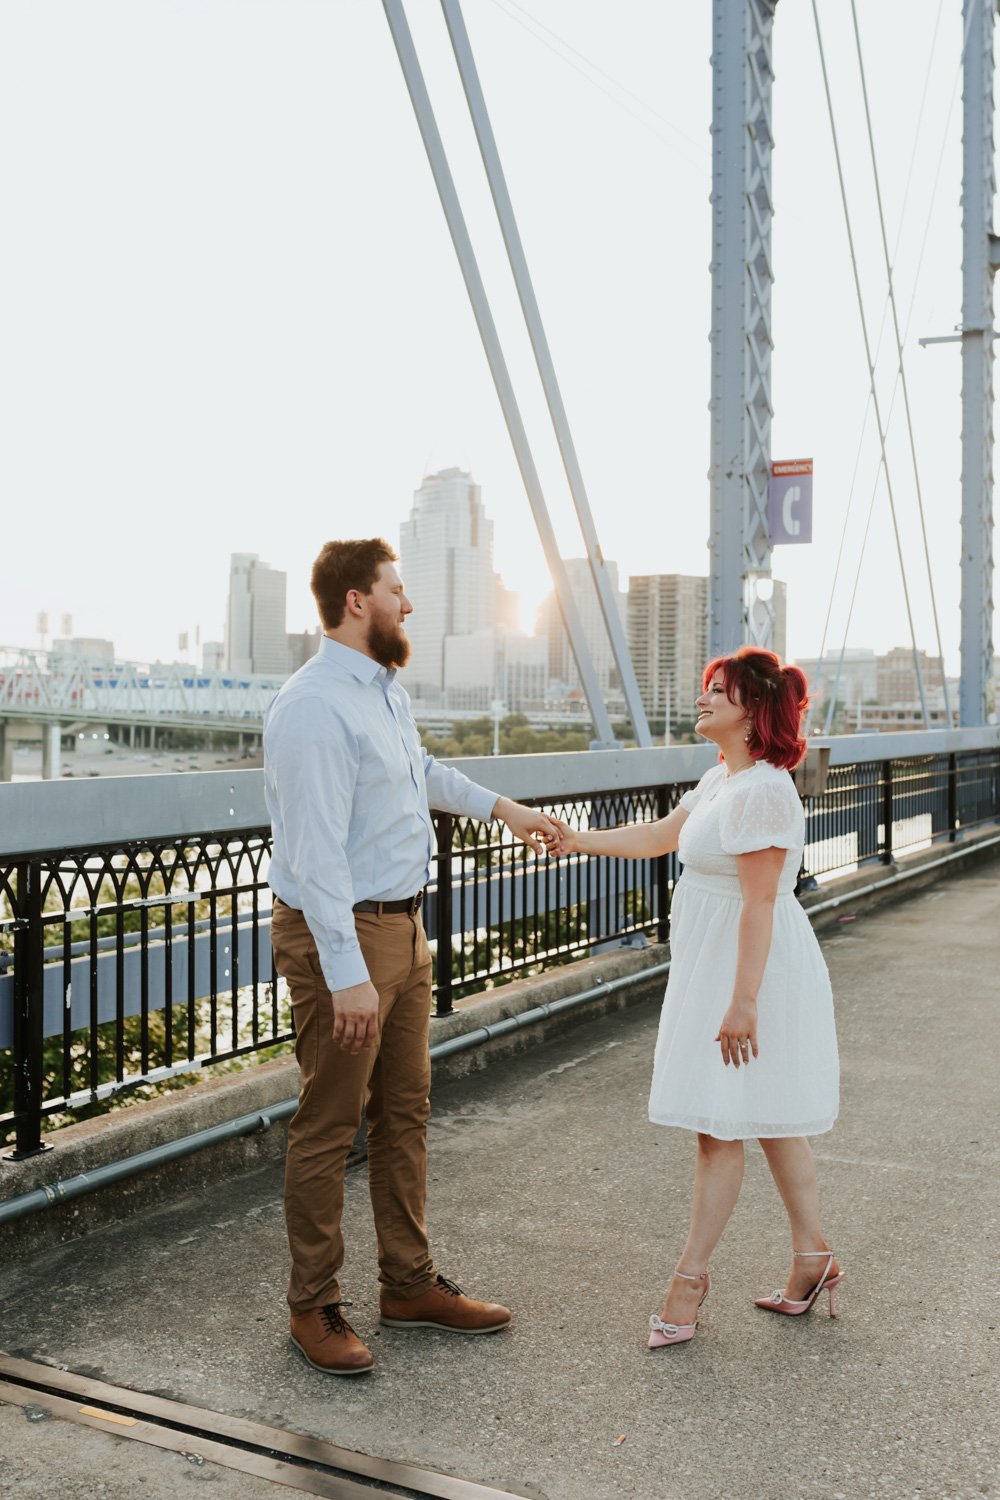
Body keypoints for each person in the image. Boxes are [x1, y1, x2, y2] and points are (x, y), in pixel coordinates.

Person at [264, 537, 556, 1376]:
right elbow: (314, 857)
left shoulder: (380, 694)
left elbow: (419, 772)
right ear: (358, 601)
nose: (410, 604)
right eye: (398, 589)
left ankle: (408, 1282)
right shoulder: (314, 706)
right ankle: (312, 1305)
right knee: (329, 1124)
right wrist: (347, 974)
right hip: (346, 939)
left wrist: (503, 807)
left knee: (406, 1113)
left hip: (405, 929)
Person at [543, 647, 841, 1347]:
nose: (702, 698)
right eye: (705, 686)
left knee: (720, 1124)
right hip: (715, 963)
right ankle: (814, 1258)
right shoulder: (721, 779)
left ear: (752, 709)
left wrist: (743, 1003)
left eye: (718, 690)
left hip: (747, 969)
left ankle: (689, 1282)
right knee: (767, 1117)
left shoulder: (765, 790)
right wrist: (571, 838)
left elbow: (763, 903)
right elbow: (657, 837)